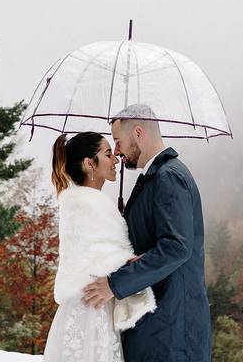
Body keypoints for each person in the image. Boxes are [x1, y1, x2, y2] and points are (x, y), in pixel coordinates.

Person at [82, 104, 211, 362]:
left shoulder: (168, 177)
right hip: (160, 327)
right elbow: (155, 242)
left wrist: (114, 285)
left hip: (171, 331)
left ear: (138, 133)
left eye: (118, 142)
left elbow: (176, 247)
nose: (116, 152)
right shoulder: (154, 178)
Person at [42, 131, 156, 362]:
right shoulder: (85, 204)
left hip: (92, 302)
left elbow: (99, 247)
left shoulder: (88, 202)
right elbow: (96, 256)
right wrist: (128, 261)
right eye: (107, 154)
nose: (115, 158)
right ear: (89, 164)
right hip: (90, 307)